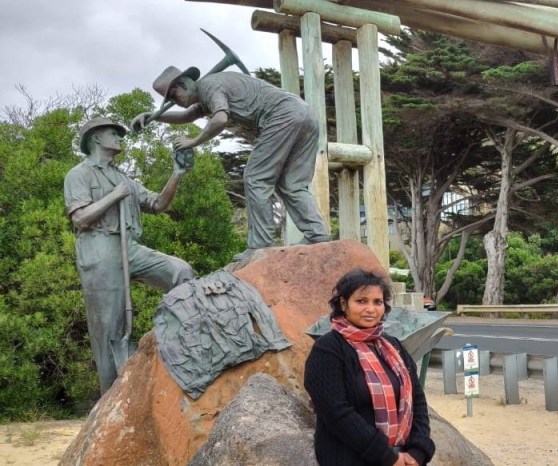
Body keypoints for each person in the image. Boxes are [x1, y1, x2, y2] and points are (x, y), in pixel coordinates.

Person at [131, 66, 330, 262]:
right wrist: (152, 117)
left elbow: (220, 119)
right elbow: (188, 116)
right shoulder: (207, 92)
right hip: (305, 115)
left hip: (282, 115)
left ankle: (260, 245)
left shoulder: (209, 86)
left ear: (183, 84)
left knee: (256, 177)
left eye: (174, 96)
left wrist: (193, 141)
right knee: (292, 183)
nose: (176, 103)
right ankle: (316, 233)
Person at [64, 117, 196, 394]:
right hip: (99, 250)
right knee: (109, 331)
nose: (120, 138)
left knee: (180, 271)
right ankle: (112, 399)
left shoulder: (125, 179)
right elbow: (80, 219)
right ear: (96, 138)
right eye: (114, 133)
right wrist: (114, 196)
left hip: (130, 248)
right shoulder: (79, 174)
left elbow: (158, 204)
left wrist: (177, 175)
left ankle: (178, 343)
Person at [305, 270, 435, 466]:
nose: (371, 309)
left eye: (377, 302)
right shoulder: (328, 349)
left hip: (403, 458)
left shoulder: (393, 346)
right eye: (361, 301)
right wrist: (387, 457)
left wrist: (418, 450)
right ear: (343, 304)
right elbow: (336, 413)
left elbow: (417, 399)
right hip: (350, 459)